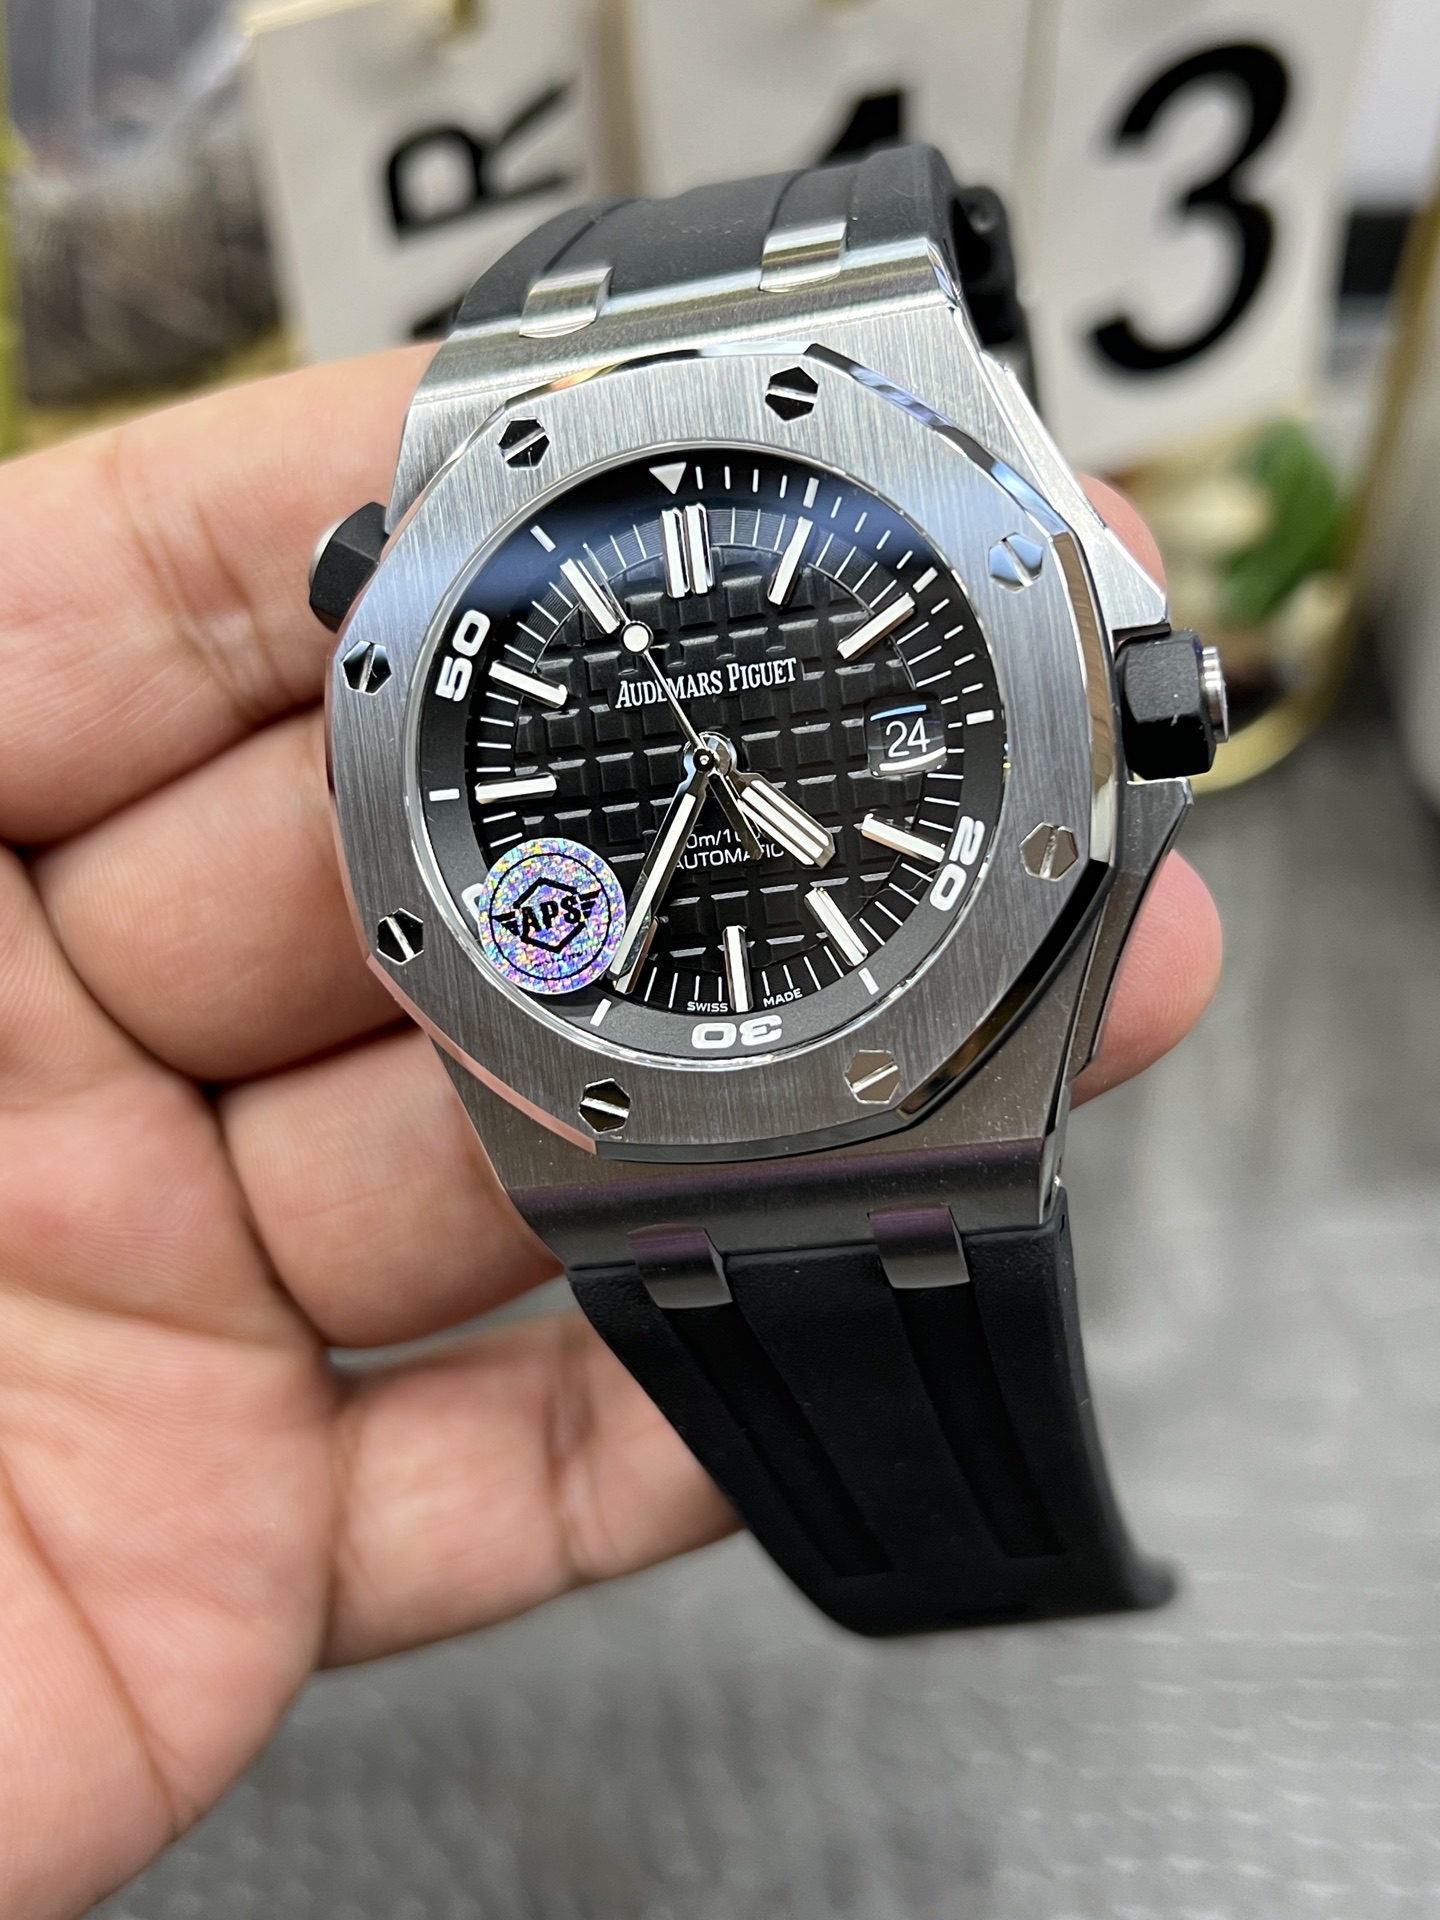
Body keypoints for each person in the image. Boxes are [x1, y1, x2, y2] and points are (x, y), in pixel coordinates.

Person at [0, 346, 1222, 1920]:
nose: (709, 762)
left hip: (924, 1052)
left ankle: (985, 1550)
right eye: (696, 753)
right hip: (609, 1096)